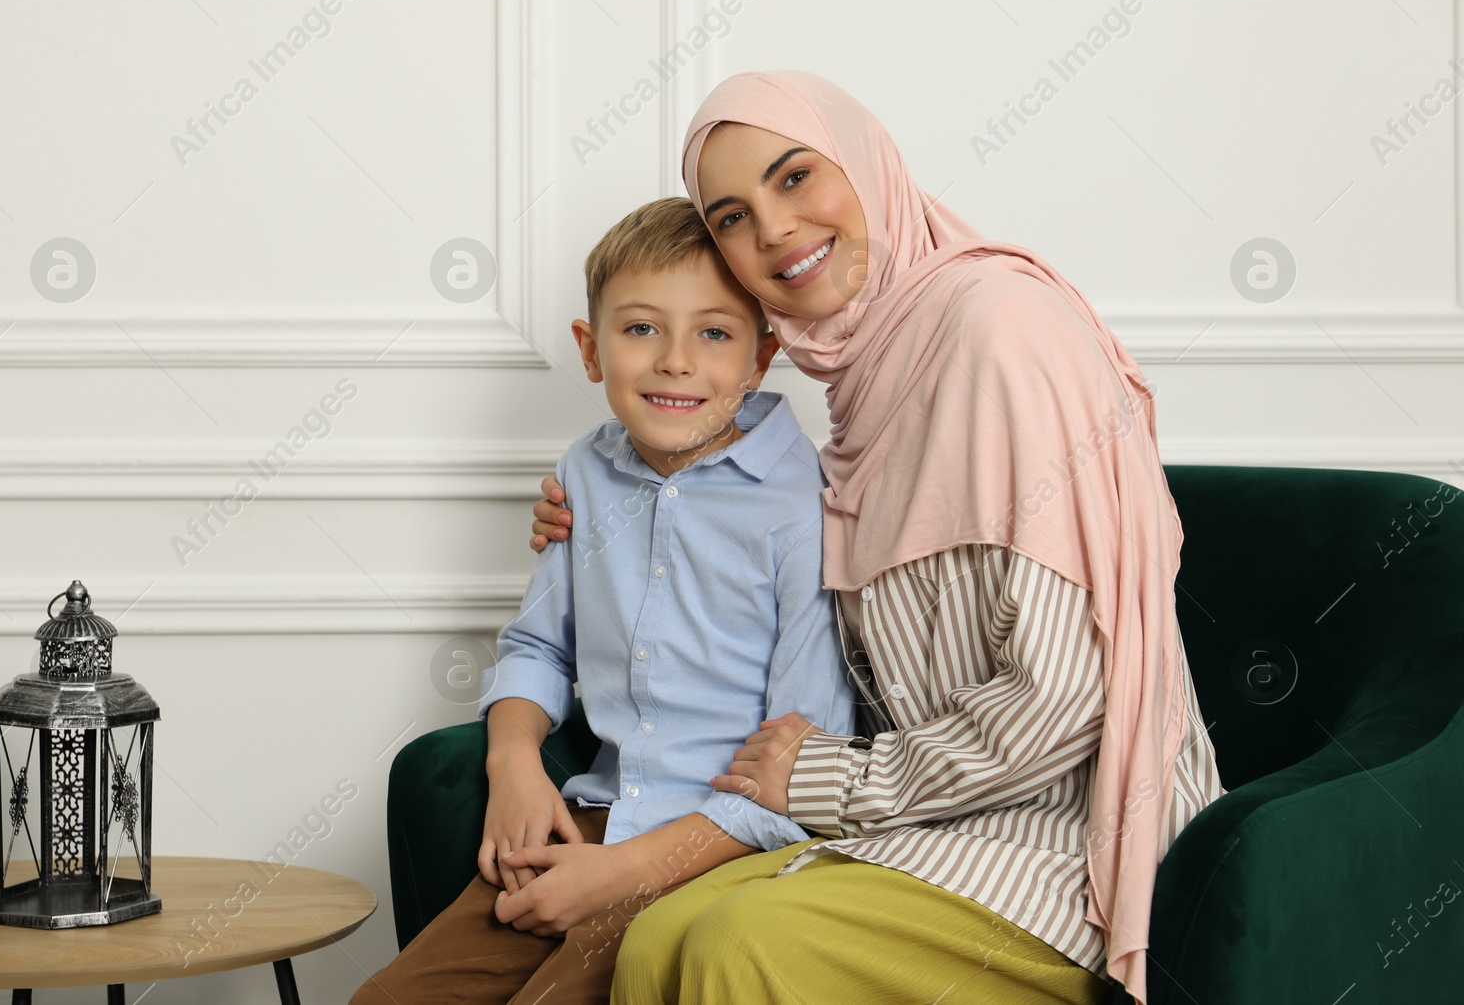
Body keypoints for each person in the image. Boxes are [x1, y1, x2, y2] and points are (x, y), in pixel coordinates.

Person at [526, 72, 1227, 1005]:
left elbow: (1067, 699)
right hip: (923, 824)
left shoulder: (997, 329)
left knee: (738, 944)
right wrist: (607, 509)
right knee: (654, 942)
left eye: (795, 176)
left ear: (867, 168)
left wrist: (821, 774)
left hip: (1063, 845)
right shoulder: (862, 389)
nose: (773, 229)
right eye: (731, 216)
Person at [350, 197, 856, 1005]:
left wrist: (619, 874)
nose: (676, 362)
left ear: (761, 359)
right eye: (641, 328)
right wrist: (513, 760)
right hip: (595, 822)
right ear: (591, 350)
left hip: (722, 854)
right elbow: (539, 647)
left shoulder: (805, 508)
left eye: (715, 333)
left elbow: (802, 770)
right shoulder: (586, 472)